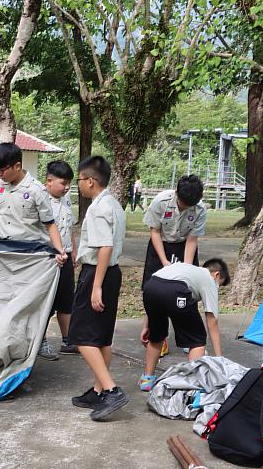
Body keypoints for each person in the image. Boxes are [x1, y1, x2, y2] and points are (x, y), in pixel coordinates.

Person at [68, 156, 128, 421]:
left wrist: (96, 287)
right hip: (112, 273)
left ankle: (112, 390)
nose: (78, 185)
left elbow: (105, 247)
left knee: (80, 336)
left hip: (98, 272)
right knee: (102, 336)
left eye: (79, 180)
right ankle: (98, 389)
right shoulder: (113, 204)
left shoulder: (97, 209)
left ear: (90, 181)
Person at [138, 258, 231, 391]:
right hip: (176, 291)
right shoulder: (209, 279)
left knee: (156, 336)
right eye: (219, 285)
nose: (217, 288)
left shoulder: (185, 269)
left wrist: (147, 326)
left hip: (151, 287)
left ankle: (147, 380)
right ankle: (192, 383)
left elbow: (160, 287)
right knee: (197, 340)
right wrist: (219, 359)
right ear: (216, 275)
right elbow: (212, 320)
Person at [142, 174, 207, 356]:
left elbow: (192, 239)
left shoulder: (200, 208)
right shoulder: (161, 201)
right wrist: (164, 262)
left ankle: (188, 339)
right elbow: (154, 231)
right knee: (154, 291)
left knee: (187, 292)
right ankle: (158, 337)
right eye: (183, 203)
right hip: (160, 245)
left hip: (184, 245)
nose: (186, 207)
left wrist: (185, 271)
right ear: (177, 192)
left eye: (190, 205)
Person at [40, 160, 78, 359]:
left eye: (68, 183)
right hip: (48, 260)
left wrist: (73, 250)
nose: (67, 187)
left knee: (66, 301)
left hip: (66, 257)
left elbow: (69, 226)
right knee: (47, 303)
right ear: (49, 181)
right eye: (63, 183)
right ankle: (40, 342)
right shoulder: (40, 200)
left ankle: (67, 340)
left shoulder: (66, 198)